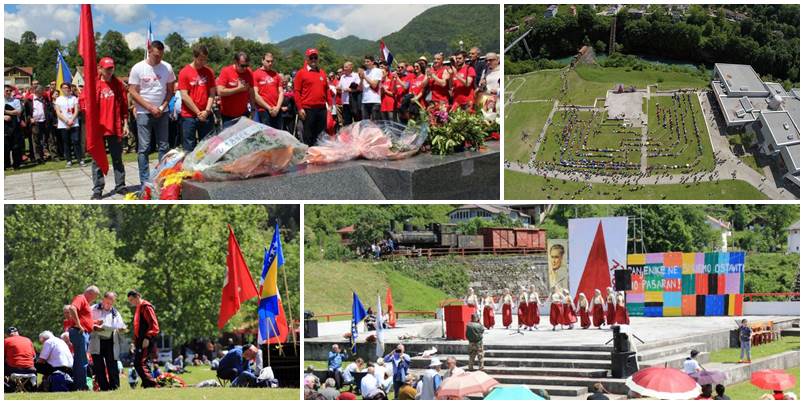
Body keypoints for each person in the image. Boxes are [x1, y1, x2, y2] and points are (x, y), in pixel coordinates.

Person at [128, 40, 176, 190]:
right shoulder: (138, 68)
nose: (158, 59)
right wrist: (149, 107)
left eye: (161, 56)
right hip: (144, 112)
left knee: (164, 146)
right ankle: (145, 182)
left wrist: (162, 107)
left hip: (162, 111)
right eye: (156, 56)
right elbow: (132, 91)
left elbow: (170, 90)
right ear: (149, 51)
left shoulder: (167, 67)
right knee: (144, 148)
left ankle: (161, 178)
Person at [92, 57, 129, 199]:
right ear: (100, 69)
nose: (109, 71)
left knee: (117, 158)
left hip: (114, 127)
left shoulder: (118, 84)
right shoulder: (94, 85)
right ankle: (97, 189)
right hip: (99, 128)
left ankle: (120, 185)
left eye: (111, 68)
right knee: (97, 160)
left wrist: (125, 123)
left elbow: (124, 105)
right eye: (107, 69)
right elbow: (84, 103)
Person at [177, 44, 216, 152]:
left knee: (207, 146)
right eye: (200, 59)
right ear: (194, 57)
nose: (203, 62)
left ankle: (205, 168)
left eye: (205, 59)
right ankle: (190, 169)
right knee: (189, 147)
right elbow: (184, 96)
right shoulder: (184, 72)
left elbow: (212, 93)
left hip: (206, 114)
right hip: (189, 116)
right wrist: (198, 112)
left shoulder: (209, 72)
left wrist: (207, 111)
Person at [64, 285, 101, 390]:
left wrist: (94, 324)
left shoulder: (85, 302)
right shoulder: (81, 298)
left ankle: (78, 385)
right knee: (82, 360)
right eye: (94, 296)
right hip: (79, 332)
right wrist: (79, 325)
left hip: (82, 332)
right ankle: (81, 386)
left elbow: (84, 318)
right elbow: (72, 308)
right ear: (89, 293)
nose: (94, 299)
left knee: (80, 360)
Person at [90, 291, 127, 391]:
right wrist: (94, 326)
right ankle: (104, 388)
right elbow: (86, 322)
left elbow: (121, 325)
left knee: (112, 365)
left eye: (111, 303)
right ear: (103, 300)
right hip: (96, 340)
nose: (109, 305)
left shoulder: (115, 313)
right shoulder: (93, 309)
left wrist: (122, 329)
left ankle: (115, 387)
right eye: (107, 302)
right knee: (99, 366)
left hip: (111, 341)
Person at [294, 48, 329, 146]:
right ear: (307, 59)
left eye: (315, 57)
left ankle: (318, 156)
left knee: (321, 135)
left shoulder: (322, 72)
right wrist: (300, 108)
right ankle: (309, 156)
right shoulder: (301, 73)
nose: (313, 59)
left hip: (322, 109)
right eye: (311, 57)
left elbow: (327, 89)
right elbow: (296, 92)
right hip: (308, 109)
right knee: (308, 135)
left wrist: (329, 105)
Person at [127, 289, 160, 389]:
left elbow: (154, 324)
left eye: (132, 300)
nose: (131, 303)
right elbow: (138, 327)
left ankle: (151, 384)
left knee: (139, 363)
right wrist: (133, 342)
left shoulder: (146, 307)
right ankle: (147, 383)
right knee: (141, 362)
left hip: (146, 340)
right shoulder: (138, 308)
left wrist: (147, 337)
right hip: (139, 341)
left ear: (137, 296)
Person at [216, 52, 256, 128]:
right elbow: (220, 91)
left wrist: (253, 108)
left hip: (243, 114)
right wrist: (238, 89)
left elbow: (251, 92)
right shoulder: (226, 71)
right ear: (235, 62)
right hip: (228, 116)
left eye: (247, 65)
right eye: (242, 66)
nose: (245, 68)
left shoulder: (249, 72)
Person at [53, 82, 84, 168]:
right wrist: (66, 121)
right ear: (61, 89)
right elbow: (58, 112)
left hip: (74, 123)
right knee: (66, 143)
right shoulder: (58, 99)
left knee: (76, 141)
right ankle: (69, 160)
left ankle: (80, 159)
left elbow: (77, 110)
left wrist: (72, 120)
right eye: (64, 88)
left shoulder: (74, 98)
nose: (66, 89)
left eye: (67, 87)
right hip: (64, 124)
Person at [253, 52, 284, 130]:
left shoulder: (276, 75)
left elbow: (281, 92)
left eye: (272, 61)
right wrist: (269, 108)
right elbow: (255, 95)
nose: (270, 63)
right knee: (267, 136)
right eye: (268, 61)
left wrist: (277, 107)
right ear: (262, 60)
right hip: (264, 110)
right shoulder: (256, 74)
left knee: (278, 134)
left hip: (277, 110)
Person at [5, 85, 25, 170]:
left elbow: (18, 112)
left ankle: (16, 164)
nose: (9, 92)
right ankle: (6, 165)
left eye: (10, 90)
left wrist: (4, 111)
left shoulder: (16, 101)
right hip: (4, 127)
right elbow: (14, 112)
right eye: (7, 91)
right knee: (5, 147)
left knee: (16, 146)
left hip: (15, 126)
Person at [359, 55, 383, 121]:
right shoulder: (364, 72)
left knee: (375, 123)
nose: (366, 63)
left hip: (375, 101)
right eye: (365, 62)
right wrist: (361, 79)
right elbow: (360, 89)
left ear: (372, 62)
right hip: (364, 101)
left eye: (368, 61)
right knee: (365, 124)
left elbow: (374, 85)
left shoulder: (378, 71)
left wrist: (365, 77)